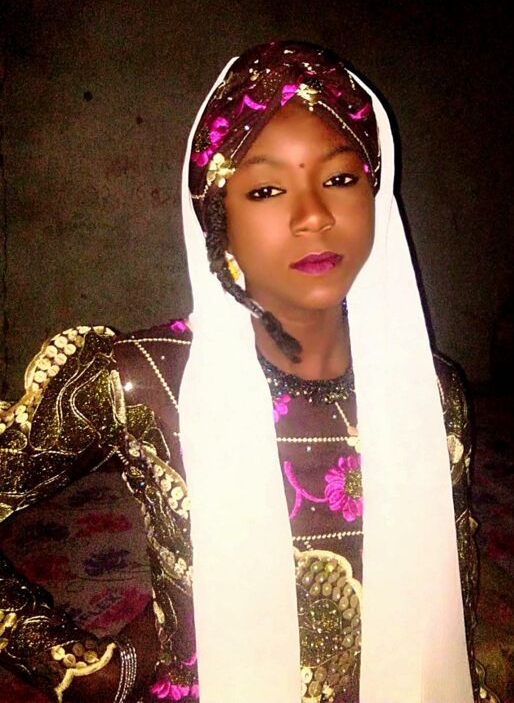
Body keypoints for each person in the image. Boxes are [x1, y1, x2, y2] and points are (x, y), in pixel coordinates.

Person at [0, 41, 480, 701]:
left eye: (341, 179)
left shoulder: (432, 394)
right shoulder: (145, 381)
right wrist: (80, 665)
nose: (314, 215)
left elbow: (452, 601)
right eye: (265, 189)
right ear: (217, 217)